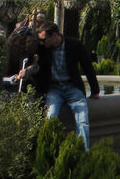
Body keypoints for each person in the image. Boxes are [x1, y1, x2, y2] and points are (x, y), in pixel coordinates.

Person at [27, 22, 99, 150]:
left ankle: (82, 153)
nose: (41, 42)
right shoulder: (42, 49)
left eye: (43, 39)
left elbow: (87, 66)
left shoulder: (74, 44)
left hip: (73, 88)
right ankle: (49, 151)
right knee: (51, 117)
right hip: (54, 89)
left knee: (82, 120)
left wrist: (95, 90)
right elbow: (38, 70)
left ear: (54, 35)